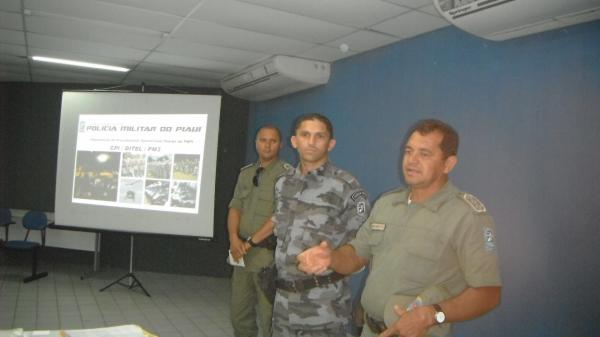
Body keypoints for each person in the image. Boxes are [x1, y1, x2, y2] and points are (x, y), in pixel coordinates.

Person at [298, 119, 502, 337]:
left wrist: (435, 315)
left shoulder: (467, 215)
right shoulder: (387, 203)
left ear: (448, 164)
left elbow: (489, 294)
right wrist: (331, 258)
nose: (411, 160)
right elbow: (357, 255)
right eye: (408, 151)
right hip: (369, 330)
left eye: (424, 154)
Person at [271, 113, 370, 337]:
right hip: (283, 305)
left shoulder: (348, 187)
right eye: (305, 135)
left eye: (319, 136)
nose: (312, 141)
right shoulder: (283, 184)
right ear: (294, 141)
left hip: (324, 308)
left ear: (331, 144)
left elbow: (365, 246)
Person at [228, 125, 291, 337]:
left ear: (280, 145)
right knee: (239, 314)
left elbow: (278, 217)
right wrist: (233, 238)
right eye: (263, 140)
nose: (267, 144)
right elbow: (235, 207)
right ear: (256, 143)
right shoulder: (246, 173)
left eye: (273, 141)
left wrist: (249, 243)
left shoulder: (287, 175)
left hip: (267, 257)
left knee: (268, 318)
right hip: (241, 255)